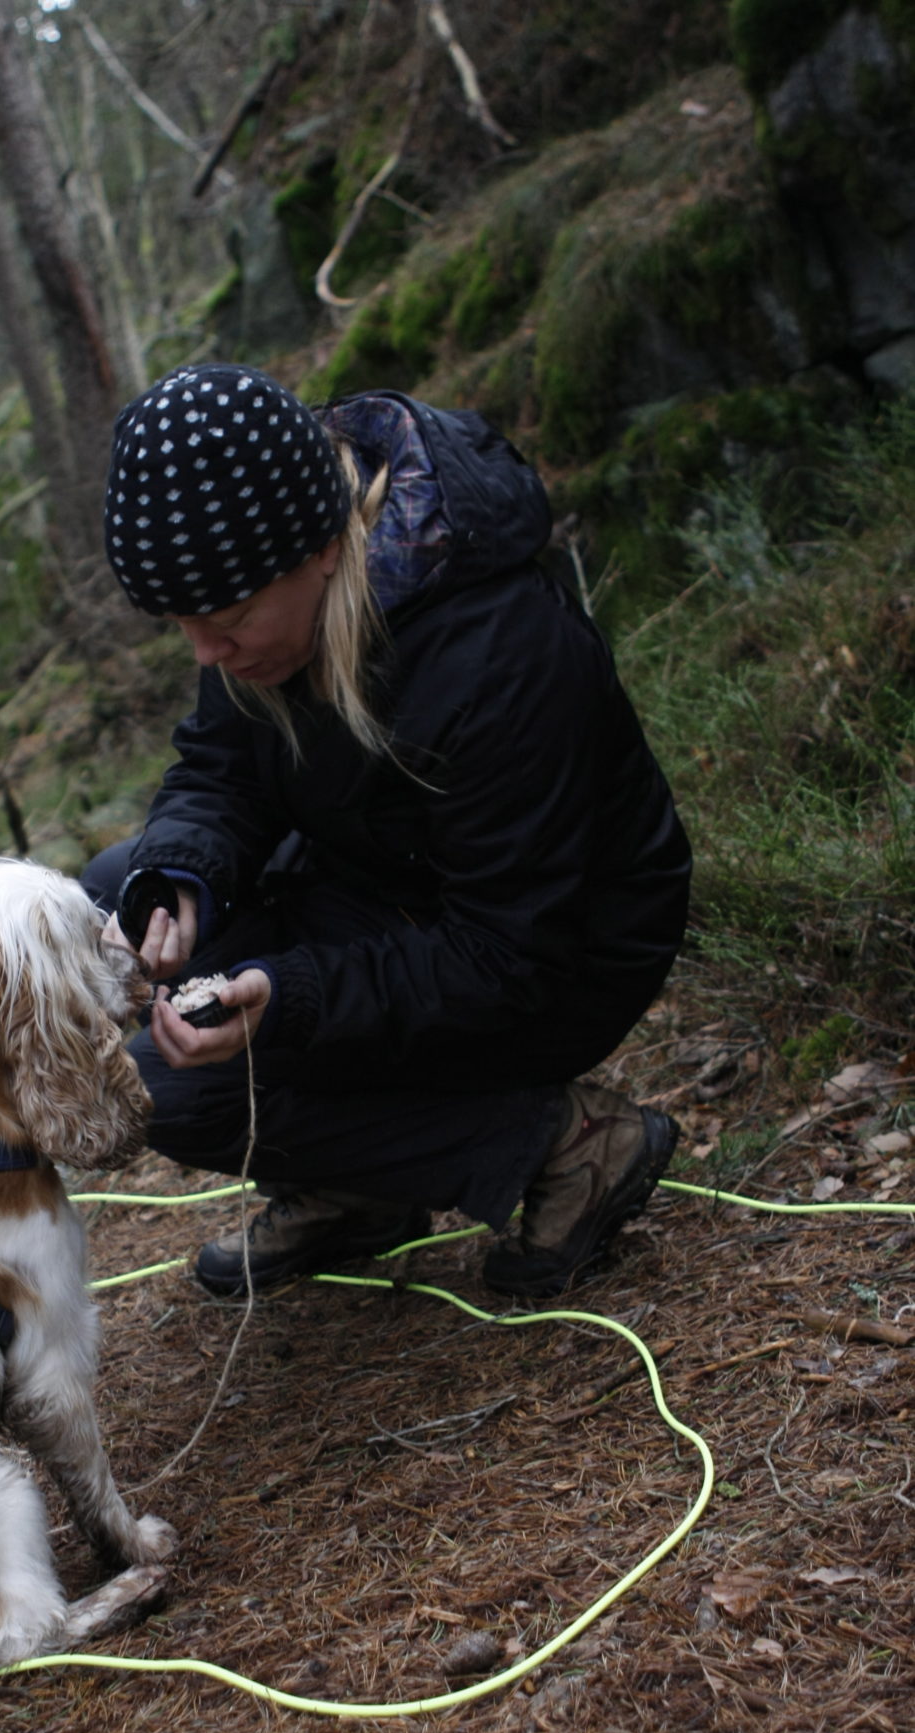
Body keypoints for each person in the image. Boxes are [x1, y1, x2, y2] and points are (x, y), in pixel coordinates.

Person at [85, 362, 691, 1299]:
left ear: (322, 546)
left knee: (178, 1091)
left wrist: (288, 996)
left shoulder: (496, 655)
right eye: (182, 628)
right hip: (386, 883)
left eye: (229, 622)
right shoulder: (259, 604)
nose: (207, 654)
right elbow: (218, 771)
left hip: (560, 960)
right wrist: (180, 876)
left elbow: (505, 955)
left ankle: (569, 1145)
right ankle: (353, 1188)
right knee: (112, 885)